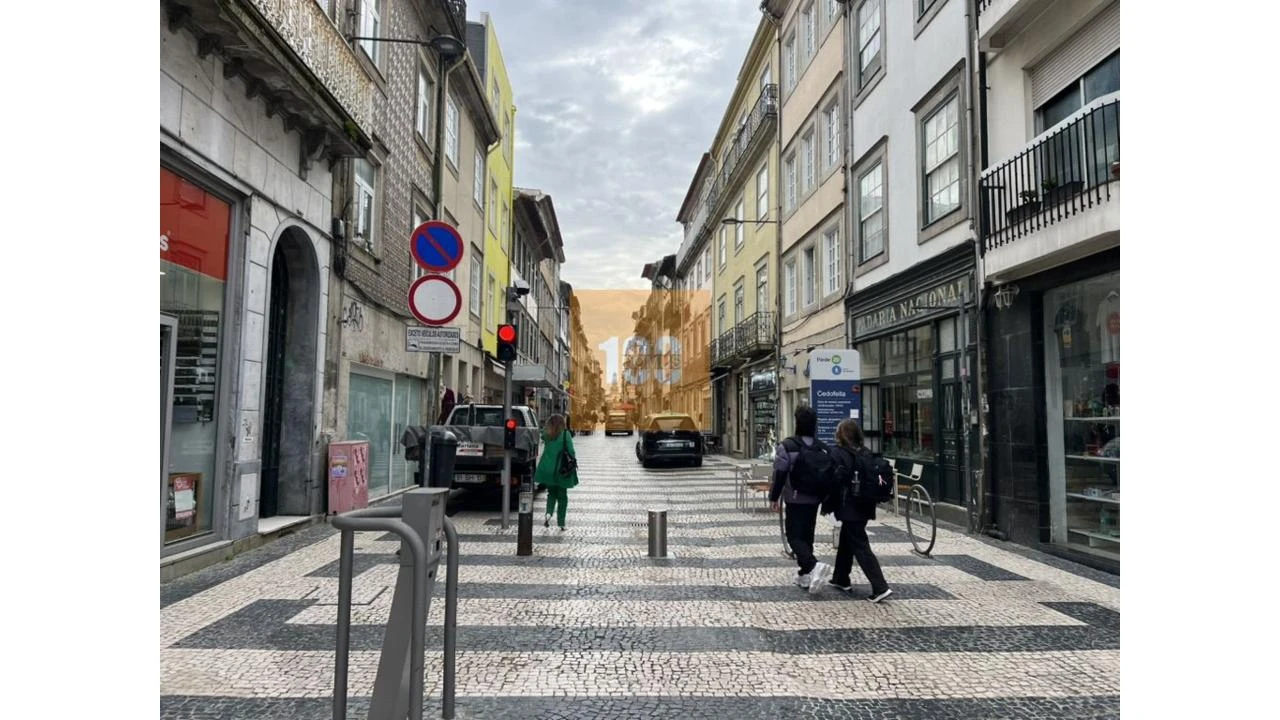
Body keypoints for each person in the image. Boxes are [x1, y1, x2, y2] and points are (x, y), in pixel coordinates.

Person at [827, 419, 892, 603]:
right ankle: (840, 578)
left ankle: (880, 587)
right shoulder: (865, 453)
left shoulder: (839, 454)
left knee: (860, 545)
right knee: (848, 540)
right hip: (865, 504)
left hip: (850, 506)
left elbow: (833, 480)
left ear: (840, 435)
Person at [768, 405, 831, 594]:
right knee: (807, 535)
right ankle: (805, 575)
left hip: (795, 498)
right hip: (814, 498)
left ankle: (813, 565)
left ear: (797, 423)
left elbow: (780, 473)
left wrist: (774, 496)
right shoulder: (823, 448)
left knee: (794, 536)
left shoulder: (787, 446)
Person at [534, 414, 579, 531]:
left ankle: (548, 514)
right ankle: (561, 523)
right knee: (562, 496)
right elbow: (571, 451)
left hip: (547, 469)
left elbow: (542, 433)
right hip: (561, 470)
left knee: (551, 493)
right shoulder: (565, 434)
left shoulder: (547, 435)